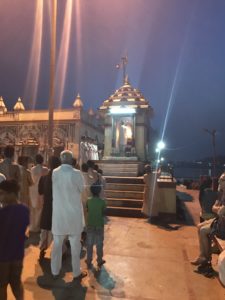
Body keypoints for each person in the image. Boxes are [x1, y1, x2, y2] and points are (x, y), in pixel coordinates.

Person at [51, 150, 87, 280]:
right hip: (73, 216)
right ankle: (76, 272)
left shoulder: (54, 173)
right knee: (75, 247)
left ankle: (55, 271)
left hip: (59, 216)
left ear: (61, 159)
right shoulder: (77, 174)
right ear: (72, 160)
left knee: (57, 246)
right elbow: (82, 189)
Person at [0, 179, 29, 300]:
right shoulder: (24, 210)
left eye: (2, 193)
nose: (0, 196)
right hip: (18, 255)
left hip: (2, 257)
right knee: (16, 283)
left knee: (1, 286)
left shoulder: (2, 213)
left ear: (11, 193)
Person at [191, 198, 225, 269]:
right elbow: (214, 208)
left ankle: (205, 259)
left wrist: (217, 208)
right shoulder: (222, 193)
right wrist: (218, 208)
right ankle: (203, 256)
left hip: (222, 226)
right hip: (219, 220)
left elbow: (220, 212)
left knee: (203, 231)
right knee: (199, 226)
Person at [38, 156, 61, 260]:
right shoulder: (61, 179)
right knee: (57, 232)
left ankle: (42, 249)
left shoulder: (44, 178)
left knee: (44, 230)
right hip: (58, 207)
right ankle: (58, 252)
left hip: (46, 207)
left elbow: (40, 192)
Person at [86, 183, 106, 268]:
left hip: (90, 224)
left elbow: (88, 210)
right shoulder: (102, 202)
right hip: (99, 226)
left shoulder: (88, 201)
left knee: (89, 244)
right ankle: (99, 260)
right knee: (99, 244)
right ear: (100, 191)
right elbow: (103, 213)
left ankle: (89, 260)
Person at [29, 154, 48, 233]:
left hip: (33, 190)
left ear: (36, 161)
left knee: (33, 209)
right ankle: (39, 226)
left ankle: (32, 226)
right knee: (41, 209)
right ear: (42, 160)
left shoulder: (32, 169)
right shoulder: (46, 169)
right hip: (42, 190)